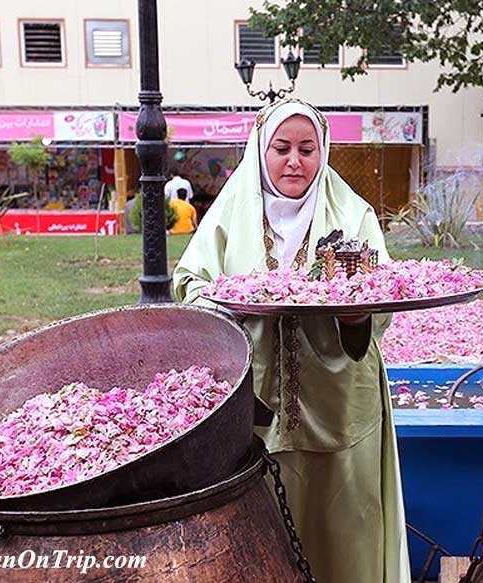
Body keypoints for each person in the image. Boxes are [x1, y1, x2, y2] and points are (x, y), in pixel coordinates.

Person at [173, 99, 410, 583]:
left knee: (345, 527)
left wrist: (360, 311)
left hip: (340, 402)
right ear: (260, 149)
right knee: (262, 534)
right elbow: (192, 281)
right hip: (255, 401)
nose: (295, 161)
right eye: (281, 148)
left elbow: (381, 290)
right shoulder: (230, 212)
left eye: (308, 148)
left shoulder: (352, 213)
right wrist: (225, 302)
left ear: (323, 151)